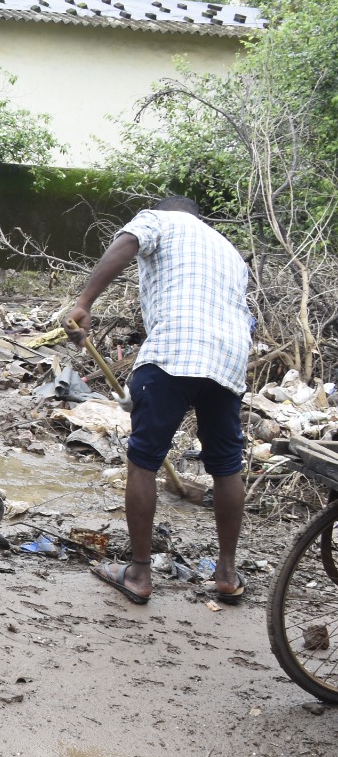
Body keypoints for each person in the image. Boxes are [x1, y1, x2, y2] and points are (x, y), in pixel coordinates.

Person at [69, 197, 251, 606]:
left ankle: (138, 572)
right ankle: (226, 573)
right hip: (229, 358)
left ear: (167, 209)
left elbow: (126, 243)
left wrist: (84, 303)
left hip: (175, 350)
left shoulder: (158, 220)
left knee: (143, 460)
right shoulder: (228, 249)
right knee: (226, 466)